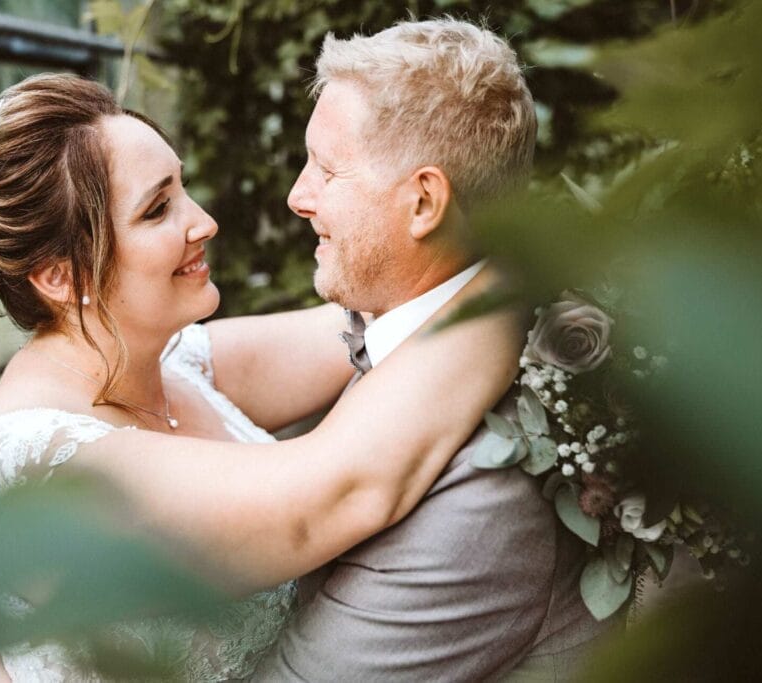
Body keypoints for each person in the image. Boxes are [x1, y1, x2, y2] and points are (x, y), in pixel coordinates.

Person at [0, 73, 520, 681]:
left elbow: (396, 309)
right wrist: (527, 281)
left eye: (180, 187)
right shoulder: (41, 469)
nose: (202, 221)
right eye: (157, 210)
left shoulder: (174, 364)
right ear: (60, 275)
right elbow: (335, 493)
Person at [251, 18, 608, 682]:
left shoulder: (483, 492)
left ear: (422, 202)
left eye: (326, 169)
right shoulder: (419, 321)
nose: (298, 197)